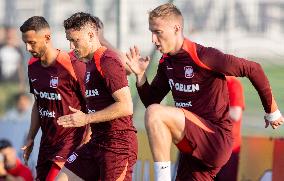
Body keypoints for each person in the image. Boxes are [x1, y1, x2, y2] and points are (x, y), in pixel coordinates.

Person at [125, 3, 284, 181]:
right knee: (153, 112)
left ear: (176, 28)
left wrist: (272, 111)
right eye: (151, 32)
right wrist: (140, 77)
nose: (153, 39)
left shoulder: (203, 56)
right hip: (192, 150)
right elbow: (151, 103)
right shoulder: (167, 62)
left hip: (215, 140)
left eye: (158, 32)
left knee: (155, 112)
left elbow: (253, 69)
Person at [55, 12, 137, 181]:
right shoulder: (90, 63)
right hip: (96, 142)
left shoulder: (108, 61)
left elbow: (126, 106)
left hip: (117, 146)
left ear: (91, 35)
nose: (71, 47)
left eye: (75, 40)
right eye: (69, 40)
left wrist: (86, 119)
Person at [19, 16, 88, 181]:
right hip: (47, 143)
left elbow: (91, 103)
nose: (28, 48)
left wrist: (87, 140)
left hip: (70, 142)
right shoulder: (32, 65)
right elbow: (38, 102)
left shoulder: (71, 64)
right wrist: (30, 137)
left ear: (47, 38)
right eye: (25, 43)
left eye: (32, 43)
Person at [215, 76, 245, 181]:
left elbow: (236, 114)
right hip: (208, 146)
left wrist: (211, 109)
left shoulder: (233, 83)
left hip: (228, 148)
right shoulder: (207, 81)